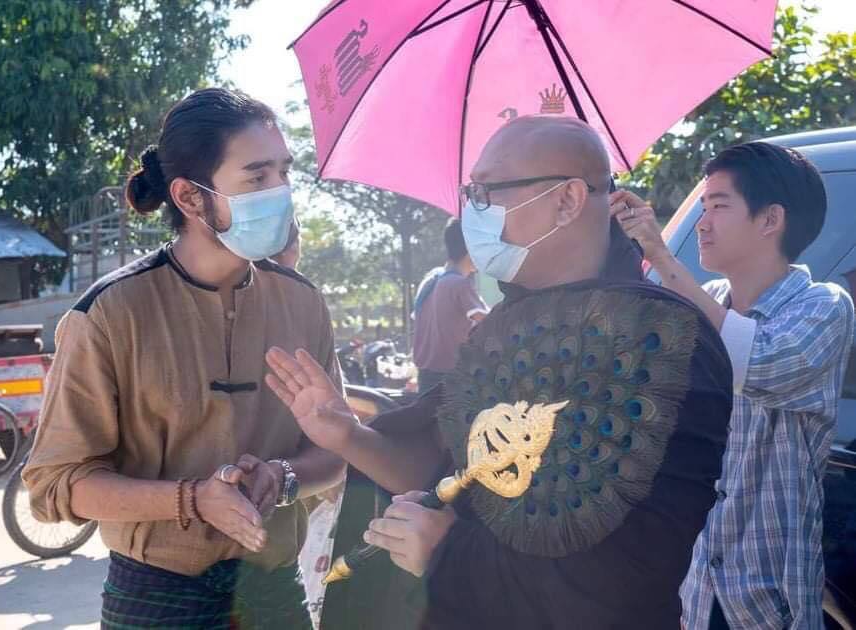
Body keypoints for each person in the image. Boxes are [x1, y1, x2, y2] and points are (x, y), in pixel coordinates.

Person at [265, 116, 734, 629]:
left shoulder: (660, 338)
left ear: (568, 199)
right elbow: (447, 473)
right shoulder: (506, 327)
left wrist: (446, 554)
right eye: (471, 194)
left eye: (487, 193)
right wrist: (346, 435)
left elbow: (626, 571)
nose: (474, 212)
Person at [22, 88, 344, 629]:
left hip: (273, 592)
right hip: (156, 596)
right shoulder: (111, 312)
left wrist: (282, 477)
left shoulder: (303, 302)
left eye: (284, 173)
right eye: (257, 177)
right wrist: (192, 500)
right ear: (191, 198)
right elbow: (56, 484)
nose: (281, 192)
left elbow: (335, 450)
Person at [611, 141, 856, 630]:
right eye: (703, 207)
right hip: (694, 583)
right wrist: (614, 240)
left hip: (767, 595)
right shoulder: (707, 296)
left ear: (771, 220)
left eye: (719, 206)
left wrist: (662, 256)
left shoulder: (824, 306)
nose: (702, 223)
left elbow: (756, 362)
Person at [412, 218, 488, 393]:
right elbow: (490, 323)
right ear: (471, 248)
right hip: (452, 381)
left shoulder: (429, 281)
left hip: (425, 379)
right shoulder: (460, 284)